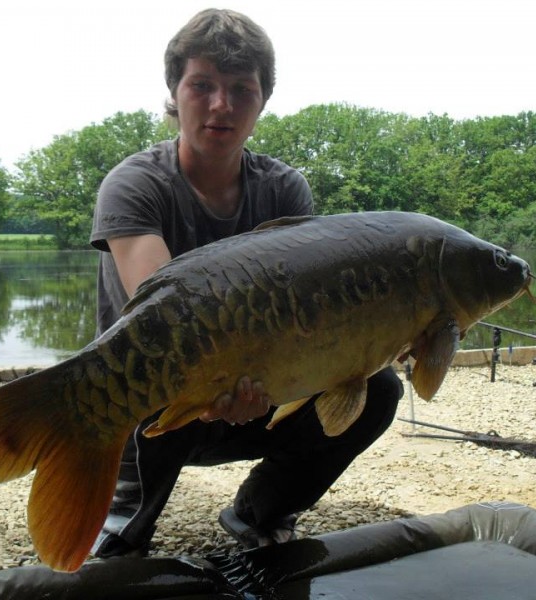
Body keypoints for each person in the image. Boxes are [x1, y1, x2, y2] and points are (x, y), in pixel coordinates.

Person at [89, 8, 403, 558]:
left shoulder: (285, 190)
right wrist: (214, 385)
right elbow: (160, 322)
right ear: (175, 91)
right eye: (202, 85)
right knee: (143, 385)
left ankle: (261, 510)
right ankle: (122, 519)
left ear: (262, 100)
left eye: (241, 89)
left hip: (262, 391)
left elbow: (311, 324)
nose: (221, 105)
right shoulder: (134, 185)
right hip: (157, 395)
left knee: (378, 389)